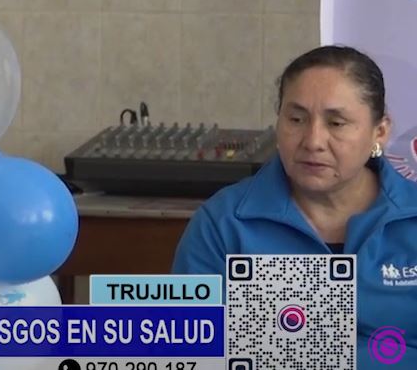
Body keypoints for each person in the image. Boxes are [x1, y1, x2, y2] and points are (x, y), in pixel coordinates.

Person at [172, 45, 417, 366]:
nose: (313, 141)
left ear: (380, 132)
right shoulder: (224, 223)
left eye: (336, 123)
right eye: (296, 119)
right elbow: (190, 351)